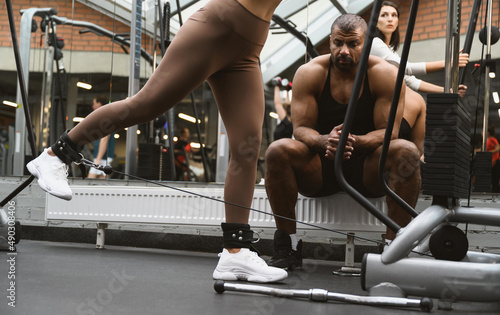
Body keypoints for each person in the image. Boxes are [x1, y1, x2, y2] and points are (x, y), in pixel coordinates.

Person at [26, 0, 287, 283]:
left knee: (247, 147)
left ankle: (235, 252)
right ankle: (55, 155)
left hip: (251, 44)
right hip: (219, 25)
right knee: (145, 106)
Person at [265, 14, 421, 270]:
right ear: (330, 41)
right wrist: (324, 140)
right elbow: (300, 128)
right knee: (277, 150)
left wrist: (355, 141)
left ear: (366, 44)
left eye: (353, 44)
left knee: (407, 151)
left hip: (367, 168)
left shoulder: (384, 74)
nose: (344, 51)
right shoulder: (310, 72)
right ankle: (287, 247)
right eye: (338, 43)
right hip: (320, 166)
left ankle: (394, 252)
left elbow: (389, 132)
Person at [371, 1, 469, 156]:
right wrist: (448, 63)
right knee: (417, 101)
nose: (390, 19)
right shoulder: (374, 43)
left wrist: (448, 90)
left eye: (394, 15)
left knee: (418, 101)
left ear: (397, 21)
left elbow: (410, 80)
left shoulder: (389, 50)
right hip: (375, 105)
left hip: (390, 105)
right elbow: (406, 68)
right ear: (376, 21)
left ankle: (419, 156)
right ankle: (420, 155)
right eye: (384, 15)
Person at [87, 96, 115, 179]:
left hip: (102, 159)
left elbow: (104, 139)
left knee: (89, 183)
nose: (93, 106)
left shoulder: (106, 119)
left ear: (99, 104)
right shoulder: (103, 118)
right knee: (101, 185)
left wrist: (98, 159)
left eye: (94, 104)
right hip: (102, 158)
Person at [487, 126, 500, 192]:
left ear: (488, 133)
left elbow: (498, 148)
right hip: (492, 162)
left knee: (495, 178)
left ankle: (496, 192)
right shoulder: (487, 141)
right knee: (493, 178)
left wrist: (488, 152)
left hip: (495, 161)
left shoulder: (492, 139)